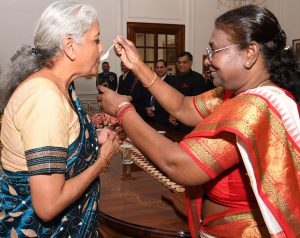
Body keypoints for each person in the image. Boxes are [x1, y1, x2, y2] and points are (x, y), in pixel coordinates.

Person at [98, 4, 300, 238]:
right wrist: (137, 65)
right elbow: (183, 106)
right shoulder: (235, 94)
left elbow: (179, 164)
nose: (207, 60)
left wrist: (123, 110)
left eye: (215, 50)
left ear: (250, 52)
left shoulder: (255, 107)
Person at [0, 1, 122, 237]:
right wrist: (101, 162)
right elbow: (48, 206)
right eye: (96, 39)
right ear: (70, 46)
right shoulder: (45, 98)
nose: (101, 48)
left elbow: (62, 142)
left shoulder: (61, 86)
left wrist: (94, 138)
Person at [169, 51, 214, 133]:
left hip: (189, 122)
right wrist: (171, 114)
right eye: (179, 62)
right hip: (174, 122)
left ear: (190, 63)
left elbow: (194, 102)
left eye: (184, 62)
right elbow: (171, 99)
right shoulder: (174, 79)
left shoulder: (197, 78)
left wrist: (177, 114)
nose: (181, 65)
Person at [145, 59, 175, 126]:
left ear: (166, 68)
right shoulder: (152, 80)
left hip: (164, 117)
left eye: (161, 67)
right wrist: (148, 108)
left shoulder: (171, 82)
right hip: (150, 117)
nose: (159, 69)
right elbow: (148, 95)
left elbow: (168, 100)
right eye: (157, 67)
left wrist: (153, 109)